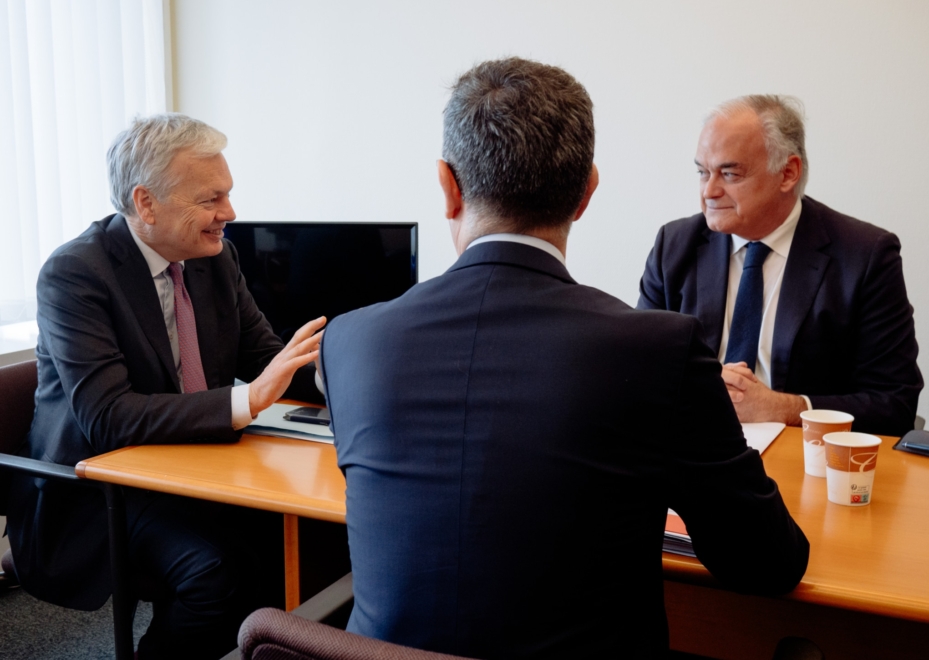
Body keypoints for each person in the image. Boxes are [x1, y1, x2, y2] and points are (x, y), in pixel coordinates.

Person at [318, 58, 809, 659]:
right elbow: (766, 563)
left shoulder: (348, 340)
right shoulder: (658, 351)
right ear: (586, 193)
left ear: (447, 187)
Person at [7, 114, 325, 659]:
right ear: (146, 203)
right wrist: (248, 399)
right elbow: (107, 417)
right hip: (101, 485)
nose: (229, 213)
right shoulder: (74, 274)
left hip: (196, 468)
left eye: (227, 194)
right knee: (214, 576)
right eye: (211, 199)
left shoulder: (215, 257)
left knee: (309, 542)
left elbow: (266, 354)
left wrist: (352, 373)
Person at [637, 95, 922, 437]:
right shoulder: (675, 244)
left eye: (729, 173)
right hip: (694, 451)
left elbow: (894, 404)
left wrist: (783, 407)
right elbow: (640, 371)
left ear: (788, 173)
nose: (709, 191)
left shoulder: (865, 256)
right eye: (702, 172)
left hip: (803, 458)